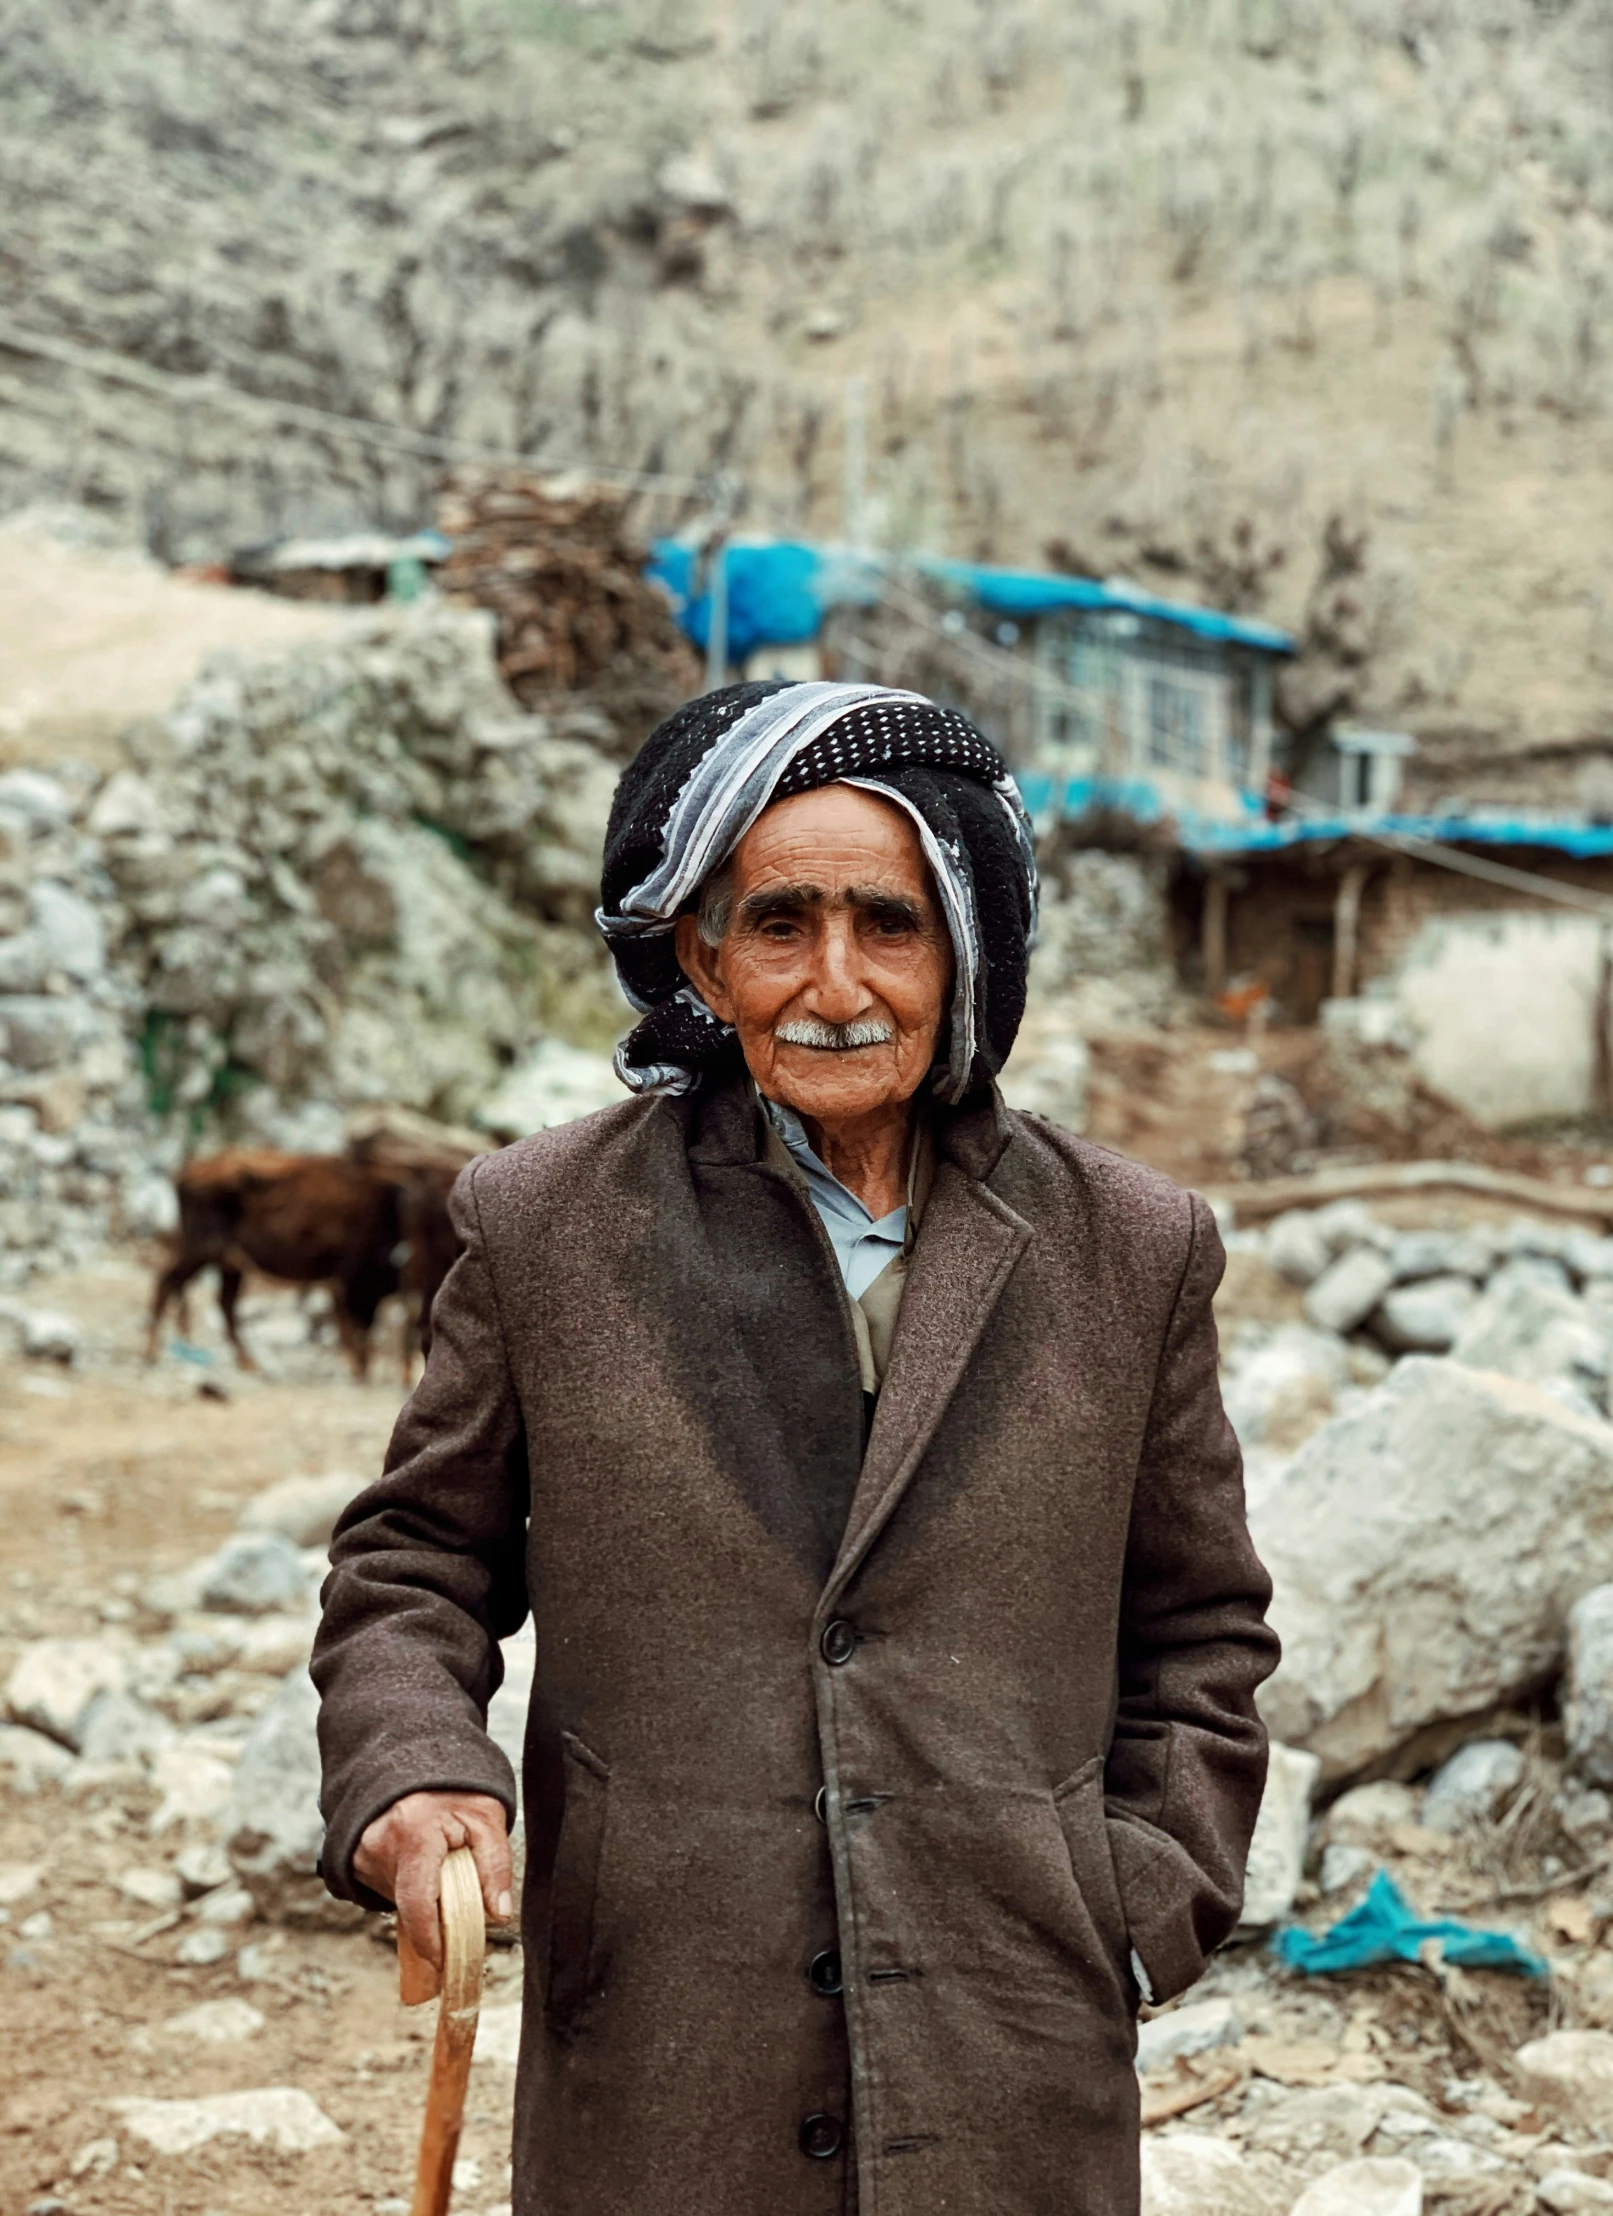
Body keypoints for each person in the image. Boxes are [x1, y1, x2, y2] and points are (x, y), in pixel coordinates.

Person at [311, 678, 1278, 2216]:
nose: (836, 983)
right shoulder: (546, 1225)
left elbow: (1202, 1627)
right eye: (779, 923)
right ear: (702, 954)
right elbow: (414, 1564)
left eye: (889, 924)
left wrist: (1138, 1898)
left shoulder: (1131, 1250)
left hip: (1010, 2035)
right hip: (664, 2036)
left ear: (967, 948)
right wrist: (413, 1766)